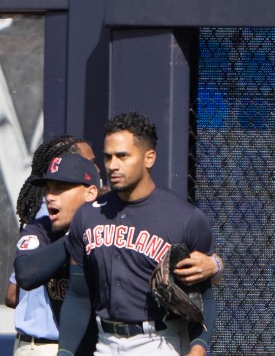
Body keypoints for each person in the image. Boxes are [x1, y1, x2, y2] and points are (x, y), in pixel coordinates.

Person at [58, 112, 218, 356]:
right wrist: (65, 352)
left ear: (149, 158)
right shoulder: (87, 216)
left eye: (123, 156)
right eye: (108, 156)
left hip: (160, 342)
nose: (113, 165)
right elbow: (78, 295)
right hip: (104, 343)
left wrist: (198, 348)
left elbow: (203, 297)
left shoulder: (185, 218)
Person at [13, 154, 102, 356]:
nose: (50, 196)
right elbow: (26, 275)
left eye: (60, 188)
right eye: (48, 188)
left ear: (90, 193)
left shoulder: (108, 231)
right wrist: (76, 236)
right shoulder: (40, 229)